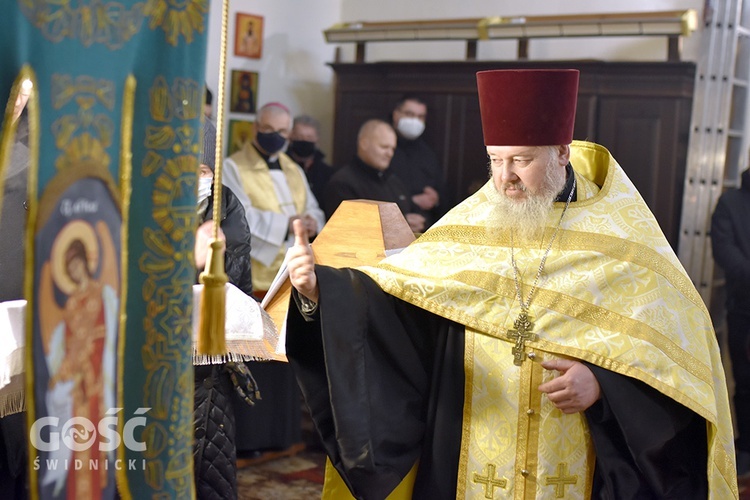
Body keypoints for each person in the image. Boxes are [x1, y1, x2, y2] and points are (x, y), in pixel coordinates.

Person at [284, 69, 737, 498]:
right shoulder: (471, 223)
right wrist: (321, 293)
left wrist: (603, 383)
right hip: (469, 454)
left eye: (522, 159)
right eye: (496, 160)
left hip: (578, 467)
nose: (506, 178)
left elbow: (677, 363)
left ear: (561, 152)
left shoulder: (623, 239)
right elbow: (401, 309)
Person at [222, 102, 325, 294]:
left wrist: (312, 222)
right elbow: (236, 219)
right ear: (255, 128)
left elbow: (313, 208)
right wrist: (286, 225)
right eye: (268, 129)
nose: (275, 136)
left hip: (295, 272)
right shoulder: (233, 167)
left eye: (282, 131)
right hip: (255, 276)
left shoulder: (293, 168)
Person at [712, 164, 750, 478]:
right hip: (745, 308)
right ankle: (748, 447)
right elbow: (725, 252)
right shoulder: (731, 203)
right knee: (746, 380)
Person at [324, 119, 425, 233]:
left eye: (392, 149)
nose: (389, 154)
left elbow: (412, 210)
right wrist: (400, 225)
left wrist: (419, 220)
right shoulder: (342, 183)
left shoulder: (393, 180)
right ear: (364, 144)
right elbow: (352, 228)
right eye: (384, 147)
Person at [195, 120, 253, 296]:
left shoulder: (230, 207)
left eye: (202, 171)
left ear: (214, 175)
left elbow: (243, 291)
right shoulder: (152, 210)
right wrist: (193, 263)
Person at [388, 95, 447, 228]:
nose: (415, 120)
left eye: (420, 117)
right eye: (409, 114)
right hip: (391, 226)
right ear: (396, 115)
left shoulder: (428, 153)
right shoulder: (384, 149)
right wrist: (411, 201)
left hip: (426, 229)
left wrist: (436, 199)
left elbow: (442, 190)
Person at [288, 114, 334, 207]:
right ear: (291, 137)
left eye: (309, 137)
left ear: (316, 139)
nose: (304, 141)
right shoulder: (281, 166)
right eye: (300, 137)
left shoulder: (328, 173)